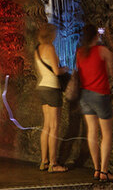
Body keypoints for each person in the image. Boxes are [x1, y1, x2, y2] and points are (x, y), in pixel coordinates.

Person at [76, 23, 113, 182]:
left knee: (92, 131)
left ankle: (96, 169)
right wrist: (111, 44)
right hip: (100, 94)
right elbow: (111, 72)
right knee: (106, 134)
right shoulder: (102, 51)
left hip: (84, 96)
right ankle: (104, 172)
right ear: (96, 35)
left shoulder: (79, 52)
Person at [35, 23, 68, 173]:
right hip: (52, 88)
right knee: (54, 127)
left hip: (41, 88)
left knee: (46, 126)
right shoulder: (50, 48)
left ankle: (44, 162)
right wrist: (66, 69)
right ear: (51, 35)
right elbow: (56, 71)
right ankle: (54, 164)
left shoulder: (37, 50)